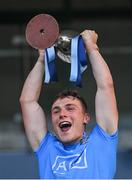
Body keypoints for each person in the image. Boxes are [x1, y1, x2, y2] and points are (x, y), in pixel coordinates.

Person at [20, 30, 118, 179]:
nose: (62, 114)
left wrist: (92, 48)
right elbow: (27, 101)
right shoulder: (47, 148)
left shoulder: (102, 142)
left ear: (86, 117)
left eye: (70, 108)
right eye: (56, 111)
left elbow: (106, 87)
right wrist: (42, 59)